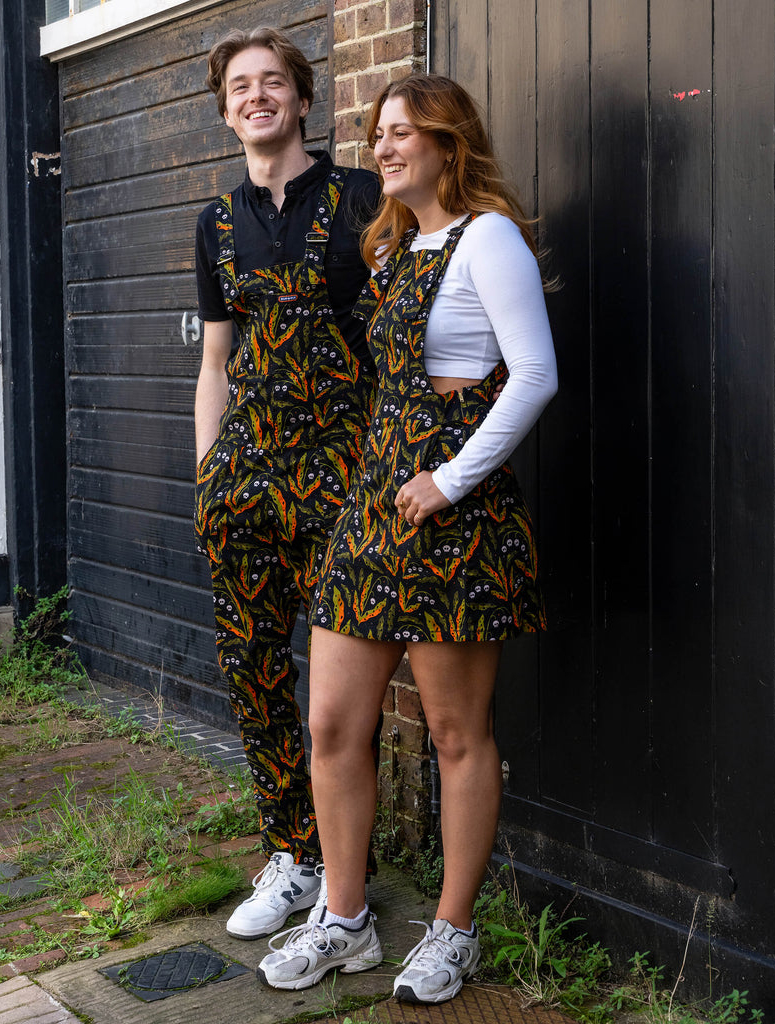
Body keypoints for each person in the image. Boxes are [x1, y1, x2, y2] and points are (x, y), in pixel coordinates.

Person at [257, 73, 558, 1003]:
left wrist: (451, 480)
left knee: (456, 735)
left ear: (446, 142)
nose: (382, 149)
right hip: (375, 512)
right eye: (377, 133)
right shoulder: (396, 247)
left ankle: (452, 931)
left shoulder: (487, 238)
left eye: (401, 133)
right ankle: (344, 919)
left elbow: (534, 374)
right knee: (331, 723)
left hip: (452, 520)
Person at [193, 26, 379, 941]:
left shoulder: (361, 197)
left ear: (303, 100)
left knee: (340, 692)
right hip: (244, 484)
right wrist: (207, 474)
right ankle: (291, 856)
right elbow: (214, 362)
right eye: (240, 86)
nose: (257, 96)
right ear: (226, 110)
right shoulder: (216, 223)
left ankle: (346, 874)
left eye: (273, 82)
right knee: (254, 672)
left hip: (343, 479)